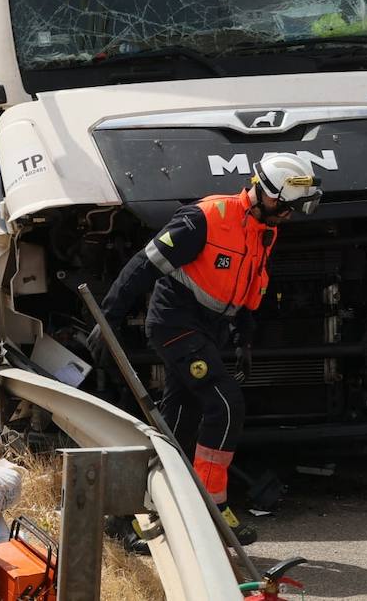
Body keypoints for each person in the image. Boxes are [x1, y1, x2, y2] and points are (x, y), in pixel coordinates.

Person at [89, 153, 323, 544]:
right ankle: (211, 508)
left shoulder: (266, 228)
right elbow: (143, 265)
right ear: (265, 194)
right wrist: (107, 318)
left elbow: (252, 284)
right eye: (286, 207)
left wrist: (244, 337)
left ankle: (134, 516)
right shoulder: (205, 218)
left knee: (177, 424)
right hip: (174, 323)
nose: (288, 217)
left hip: (209, 329)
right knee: (226, 405)